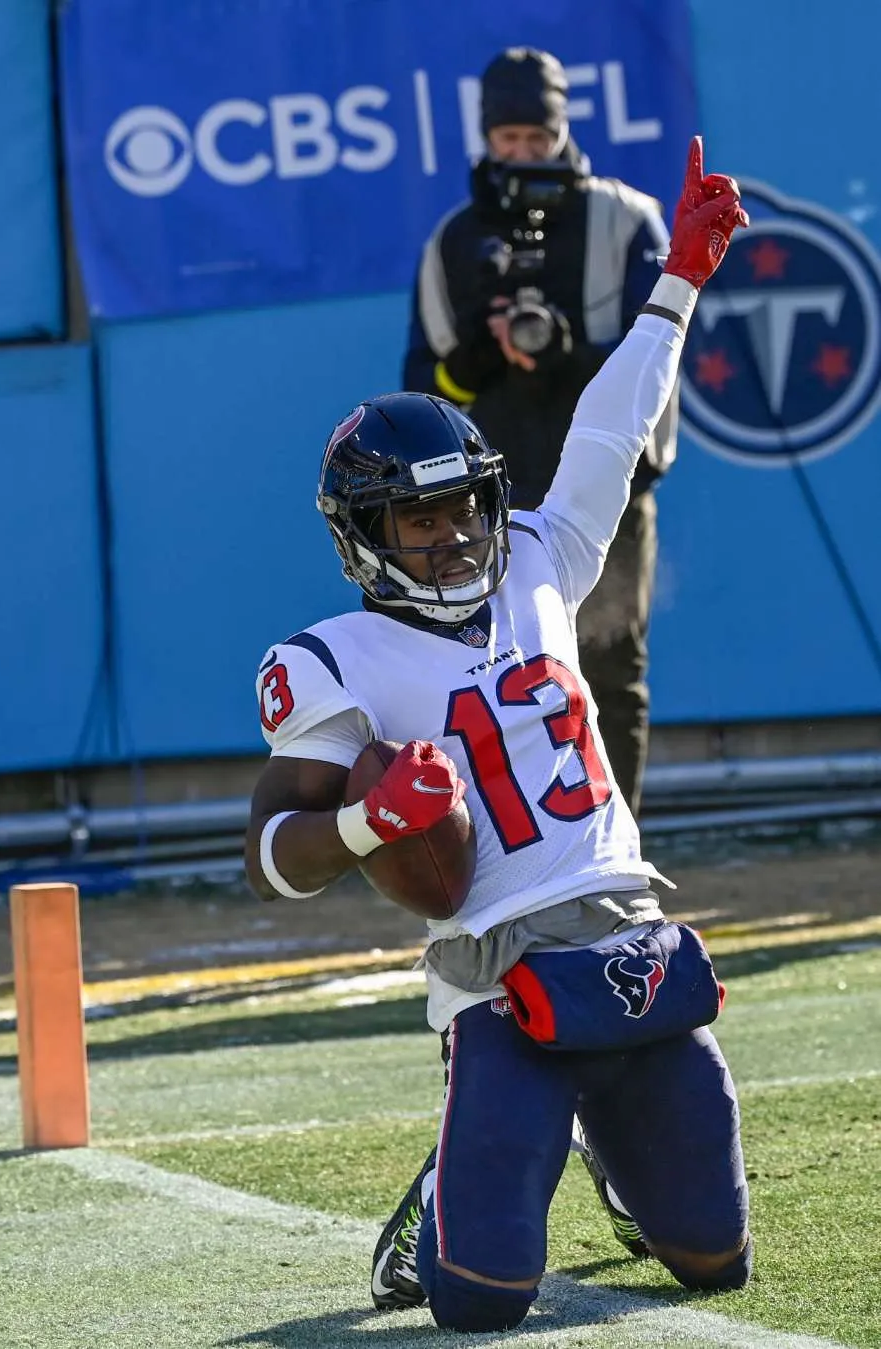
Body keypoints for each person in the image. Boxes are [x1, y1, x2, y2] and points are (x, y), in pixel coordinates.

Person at [245, 137, 750, 1334]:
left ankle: (619, 1163)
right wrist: (371, 818)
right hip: (494, 965)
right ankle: (443, 1204)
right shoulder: (333, 657)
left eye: (464, 503)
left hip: (624, 928)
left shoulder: (539, 558)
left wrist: (677, 280)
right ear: (363, 535)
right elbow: (270, 851)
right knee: (479, 1303)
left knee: (714, 1257)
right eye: (417, 517)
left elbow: (610, 430)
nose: (456, 534)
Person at [403, 47, 679, 817]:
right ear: (486, 137)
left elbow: (660, 355)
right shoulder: (454, 241)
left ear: (565, 129)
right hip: (489, 503)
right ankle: (518, 857)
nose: (523, 154)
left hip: (609, 493)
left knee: (609, 673)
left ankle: (616, 859)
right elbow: (427, 390)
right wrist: (478, 356)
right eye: (508, 139)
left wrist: (563, 354)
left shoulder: (626, 216)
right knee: (494, 680)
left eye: (538, 137)